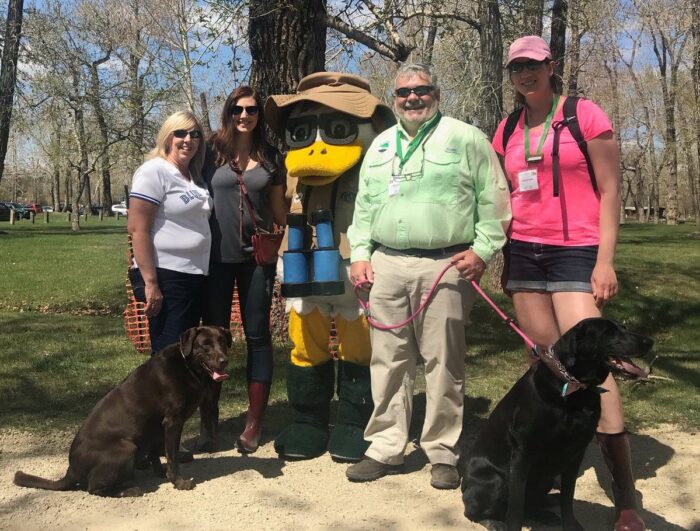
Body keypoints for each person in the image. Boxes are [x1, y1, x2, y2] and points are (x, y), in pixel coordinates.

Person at [493, 35, 644, 531]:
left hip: (577, 251)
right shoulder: (508, 128)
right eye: (517, 67)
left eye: (533, 65)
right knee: (550, 369)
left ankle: (625, 500)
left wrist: (605, 262)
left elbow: (610, 190)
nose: (525, 74)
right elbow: (501, 192)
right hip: (525, 255)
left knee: (594, 364)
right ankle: (547, 478)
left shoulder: (584, 115)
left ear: (550, 65)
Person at [346, 63, 511, 489]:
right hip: (386, 264)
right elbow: (363, 209)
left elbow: (493, 198)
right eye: (404, 92)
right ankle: (386, 445)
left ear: (436, 93)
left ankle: (442, 449)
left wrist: (483, 250)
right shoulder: (381, 146)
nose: (413, 98)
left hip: (446, 265)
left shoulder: (465, 138)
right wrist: (360, 255)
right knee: (388, 359)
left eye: (421, 90)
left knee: (444, 361)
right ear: (394, 98)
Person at [197, 86, 287, 454]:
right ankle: (208, 423)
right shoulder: (210, 151)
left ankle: (253, 424)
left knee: (257, 336)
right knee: (211, 341)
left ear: (258, 116)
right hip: (215, 259)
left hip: (256, 260)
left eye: (251, 110)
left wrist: (291, 243)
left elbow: (279, 210)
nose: (244, 116)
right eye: (237, 109)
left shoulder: (270, 157)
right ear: (228, 112)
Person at [128, 110, 211, 355]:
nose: (188, 139)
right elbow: (138, 228)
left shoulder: (193, 178)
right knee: (168, 357)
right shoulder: (154, 171)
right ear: (167, 137)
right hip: (167, 275)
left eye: (195, 134)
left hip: (194, 275)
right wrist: (151, 283)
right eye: (180, 133)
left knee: (185, 355)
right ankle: (154, 395)